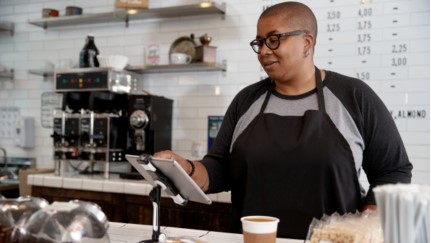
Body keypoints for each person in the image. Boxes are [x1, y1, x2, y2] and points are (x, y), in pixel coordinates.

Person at [153, 1, 413, 239]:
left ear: (307, 43)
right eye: (259, 42)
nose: (264, 51)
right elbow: (219, 169)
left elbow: (393, 171)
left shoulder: (354, 96)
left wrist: (364, 226)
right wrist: (183, 168)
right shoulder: (246, 101)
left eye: (274, 40)